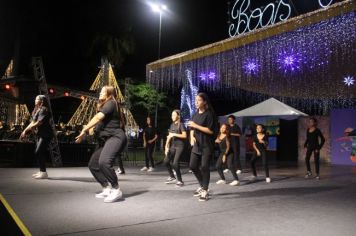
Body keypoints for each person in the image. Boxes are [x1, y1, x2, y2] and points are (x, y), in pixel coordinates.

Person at [76, 86, 127, 203]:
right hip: (107, 140)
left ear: (109, 94)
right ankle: (106, 187)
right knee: (93, 164)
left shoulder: (111, 103)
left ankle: (116, 189)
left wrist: (84, 130)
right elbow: (94, 129)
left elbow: (98, 117)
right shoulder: (105, 111)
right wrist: (89, 130)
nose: (100, 93)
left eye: (103, 92)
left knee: (104, 162)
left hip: (116, 137)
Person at [188, 92, 217, 202]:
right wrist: (191, 137)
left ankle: (205, 190)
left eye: (199, 100)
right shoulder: (195, 114)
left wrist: (196, 126)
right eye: (196, 100)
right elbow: (191, 128)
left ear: (204, 102)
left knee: (204, 167)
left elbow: (210, 131)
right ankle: (202, 185)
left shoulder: (209, 114)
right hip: (197, 145)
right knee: (193, 166)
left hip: (207, 145)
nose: (196, 102)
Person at [20, 95, 54, 179]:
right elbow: (32, 122)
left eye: (37, 99)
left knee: (38, 151)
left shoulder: (44, 109)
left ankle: (43, 173)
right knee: (39, 152)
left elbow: (39, 122)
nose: (35, 100)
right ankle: (41, 171)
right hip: (41, 134)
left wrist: (31, 128)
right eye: (35, 99)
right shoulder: (37, 110)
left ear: (42, 101)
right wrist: (24, 131)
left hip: (46, 134)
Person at [164, 109, 187, 187]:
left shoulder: (181, 125)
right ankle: (172, 176)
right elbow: (169, 137)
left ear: (178, 116)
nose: (172, 116)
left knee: (175, 163)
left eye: (174, 115)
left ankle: (180, 181)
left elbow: (184, 136)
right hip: (173, 146)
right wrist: (166, 146)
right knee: (166, 161)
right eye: (171, 115)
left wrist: (174, 134)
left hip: (180, 146)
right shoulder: (172, 125)